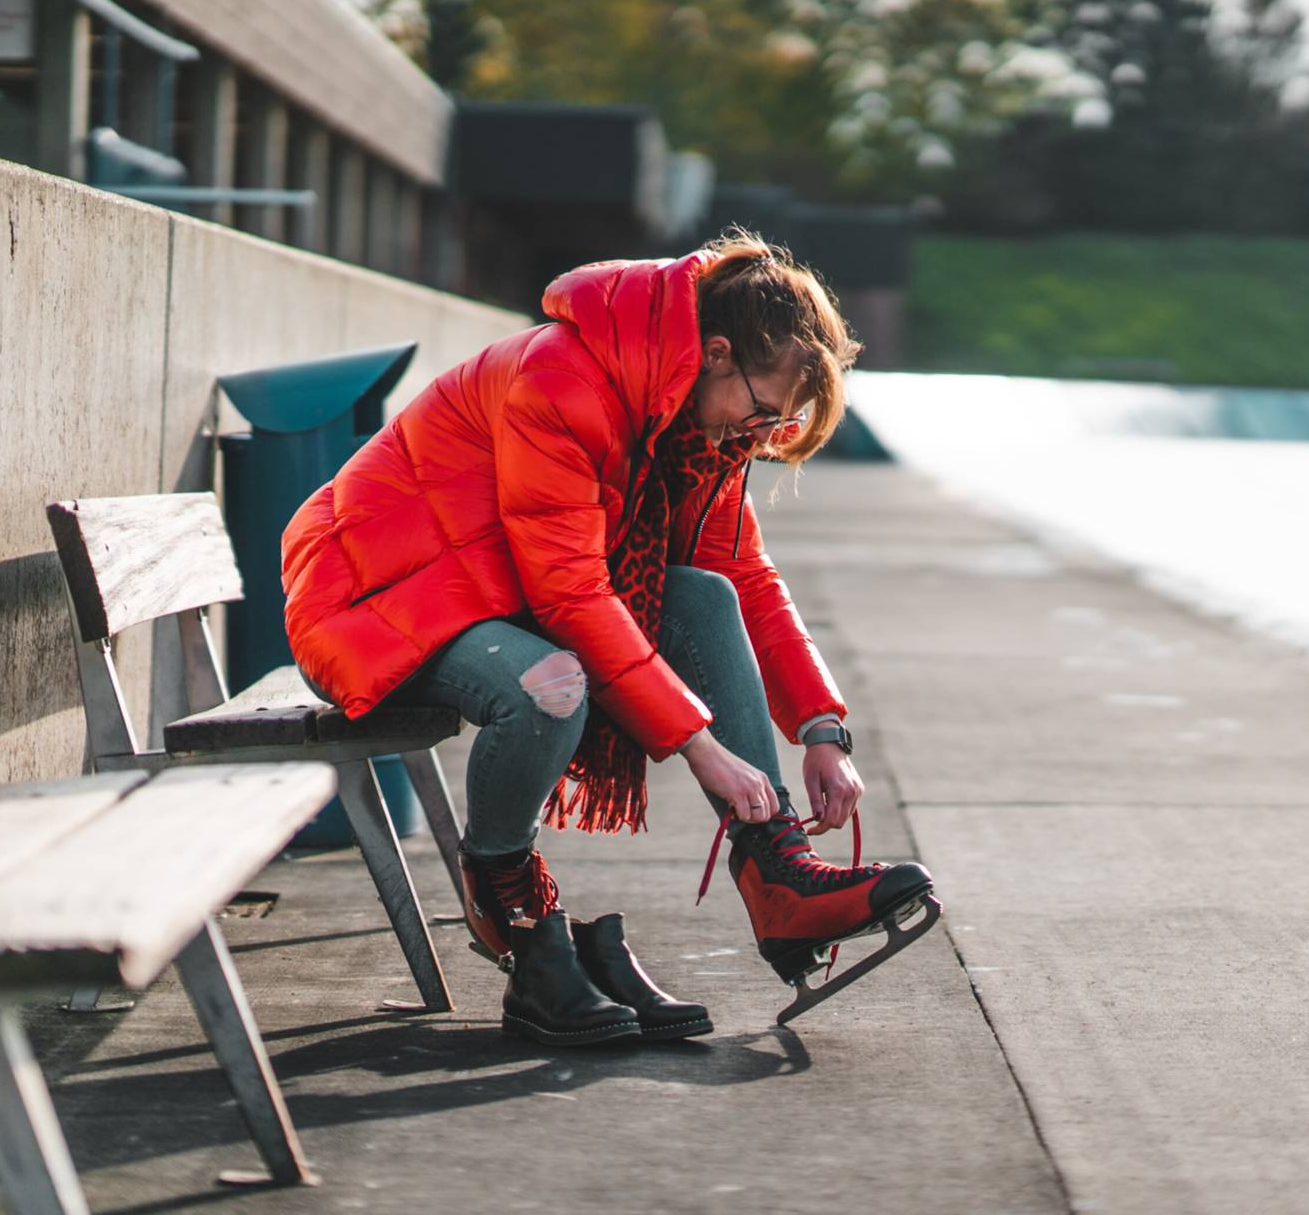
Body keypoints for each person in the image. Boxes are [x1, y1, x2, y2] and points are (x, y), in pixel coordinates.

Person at [279, 233, 937, 1045]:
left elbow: (749, 580)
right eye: (764, 410)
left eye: (780, 423)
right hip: (375, 595)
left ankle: (779, 875)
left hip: (489, 590)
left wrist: (822, 731)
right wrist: (702, 746)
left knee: (701, 594)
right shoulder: (563, 379)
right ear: (718, 352)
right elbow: (569, 592)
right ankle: (511, 898)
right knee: (551, 684)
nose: (762, 433)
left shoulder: (699, 425)